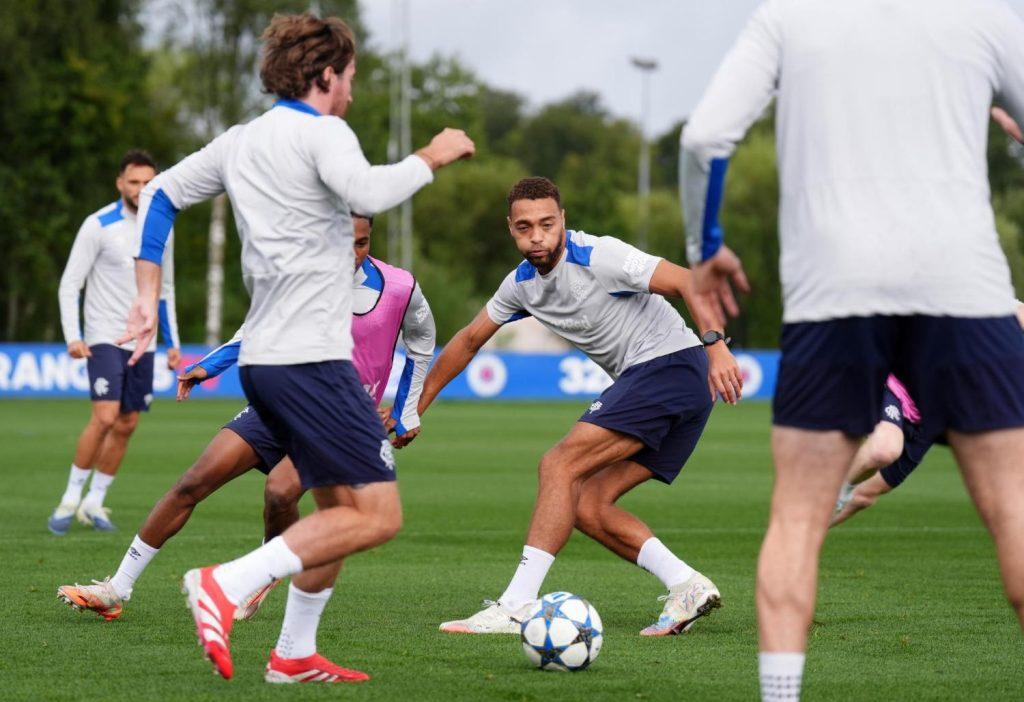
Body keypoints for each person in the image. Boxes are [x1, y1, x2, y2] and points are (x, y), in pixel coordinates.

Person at [680, 1, 1024, 698]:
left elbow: (704, 138)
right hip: (964, 283)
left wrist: (704, 249)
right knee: (1014, 510)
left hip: (834, 286)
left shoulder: (786, 18)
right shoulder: (985, 15)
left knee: (799, 516)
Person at [120, 13, 473, 683]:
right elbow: (369, 192)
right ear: (325, 75)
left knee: (340, 511)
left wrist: (145, 291)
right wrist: (434, 153)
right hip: (312, 362)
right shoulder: (322, 131)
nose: (351, 92)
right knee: (379, 515)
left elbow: (160, 194)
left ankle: (293, 653)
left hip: (267, 363)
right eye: (350, 78)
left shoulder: (241, 140)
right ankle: (227, 583)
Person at [56, 214, 435, 623]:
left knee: (279, 490)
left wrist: (405, 410)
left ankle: (262, 574)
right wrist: (209, 365)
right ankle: (116, 588)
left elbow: (422, 342)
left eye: (359, 244)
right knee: (192, 482)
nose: (349, 254)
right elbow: (254, 329)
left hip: (338, 421)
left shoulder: (400, 287)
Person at [417, 176, 743, 636]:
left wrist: (716, 346)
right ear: (510, 229)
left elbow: (688, 282)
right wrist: (416, 406)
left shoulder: (598, 255)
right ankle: (685, 584)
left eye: (547, 224)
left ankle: (516, 606)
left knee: (559, 465)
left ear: (563, 221)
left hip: (669, 365)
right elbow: (468, 341)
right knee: (587, 504)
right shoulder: (520, 286)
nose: (537, 237)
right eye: (525, 227)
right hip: (674, 384)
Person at [49, 150, 181, 535]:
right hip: (105, 334)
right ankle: (70, 498)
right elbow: (70, 283)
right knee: (105, 416)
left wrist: (172, 343)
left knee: (126, 423)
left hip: (145, 340)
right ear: (120, 183)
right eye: (134, 182)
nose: (141, 189)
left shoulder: (162, 228)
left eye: (148, 183)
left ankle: (94, 503)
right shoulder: (98, 225)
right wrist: (73, 336)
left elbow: (165, 289)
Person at [832, 302, 1024, 527]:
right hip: (898, 382)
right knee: (883, 450)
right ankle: (824, 495)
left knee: (863, 496)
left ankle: (790, 543)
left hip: (929, 416)